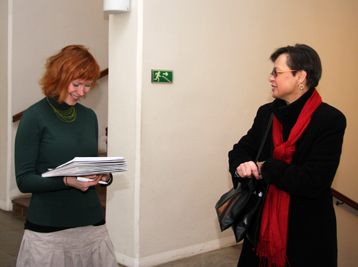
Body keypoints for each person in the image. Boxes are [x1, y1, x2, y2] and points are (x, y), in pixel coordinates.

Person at [229, 44, 346, 267]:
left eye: (277, 72)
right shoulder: (267, 113)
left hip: (307, 233)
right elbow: (240, 150)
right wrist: (242, 164)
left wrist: (266, 167)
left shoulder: (330, 120)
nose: (271, 78)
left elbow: (313, 180)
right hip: (261, 229)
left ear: (300, 76)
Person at [15, 45, 118, 267]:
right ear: (58, 78)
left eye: (88, 85)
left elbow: (87, 165)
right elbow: (24, 180)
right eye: (76, 84)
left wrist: (103, 175)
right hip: (49, 227)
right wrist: (66, 181)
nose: (82, 92)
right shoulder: (34, 116)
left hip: (91, 223)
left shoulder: (89, 116)